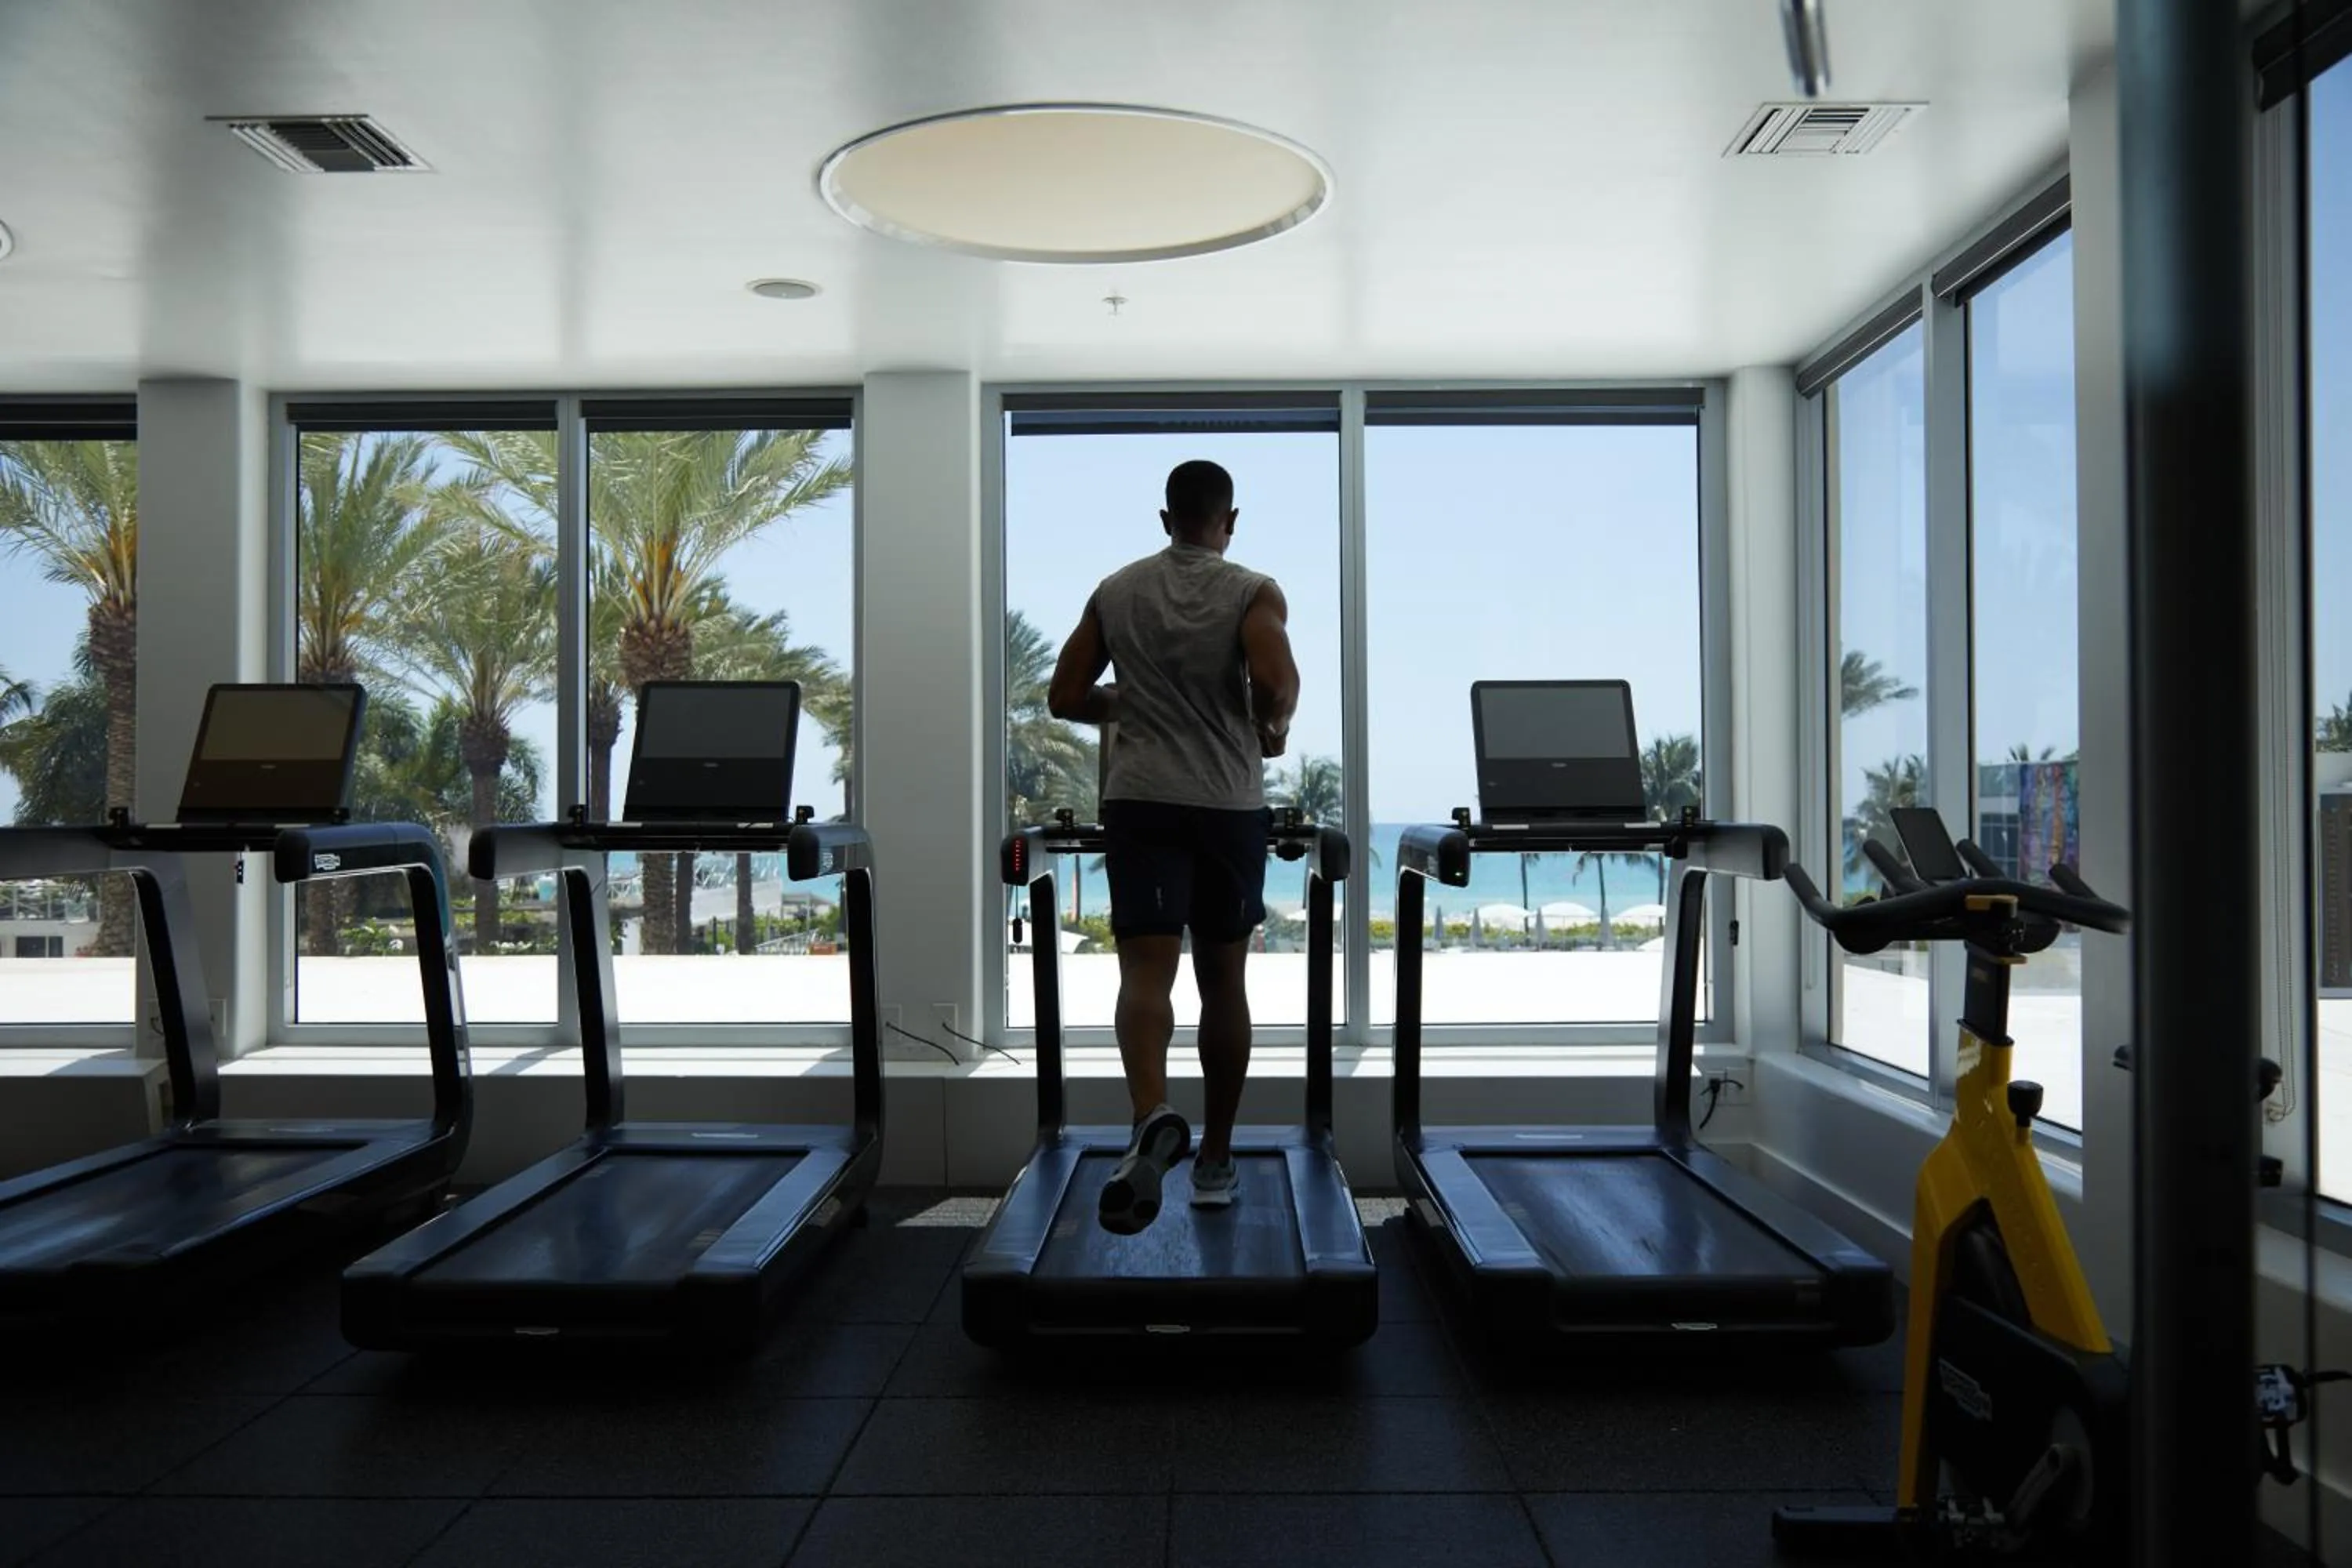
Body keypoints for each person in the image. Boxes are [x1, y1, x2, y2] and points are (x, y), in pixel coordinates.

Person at [1046, 459, 1300, 1235]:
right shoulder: (1252, 589)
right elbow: (1278, 680)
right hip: (1226, 804)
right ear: (1229, 519)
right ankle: (1215, 1158)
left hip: (1141, 798)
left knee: (1145, 973)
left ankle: (1152, 1113)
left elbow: (1063, 696)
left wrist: (1128, 698)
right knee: (1223, 982)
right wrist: (1272, 726)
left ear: (1165, 519)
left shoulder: (1116, 589)